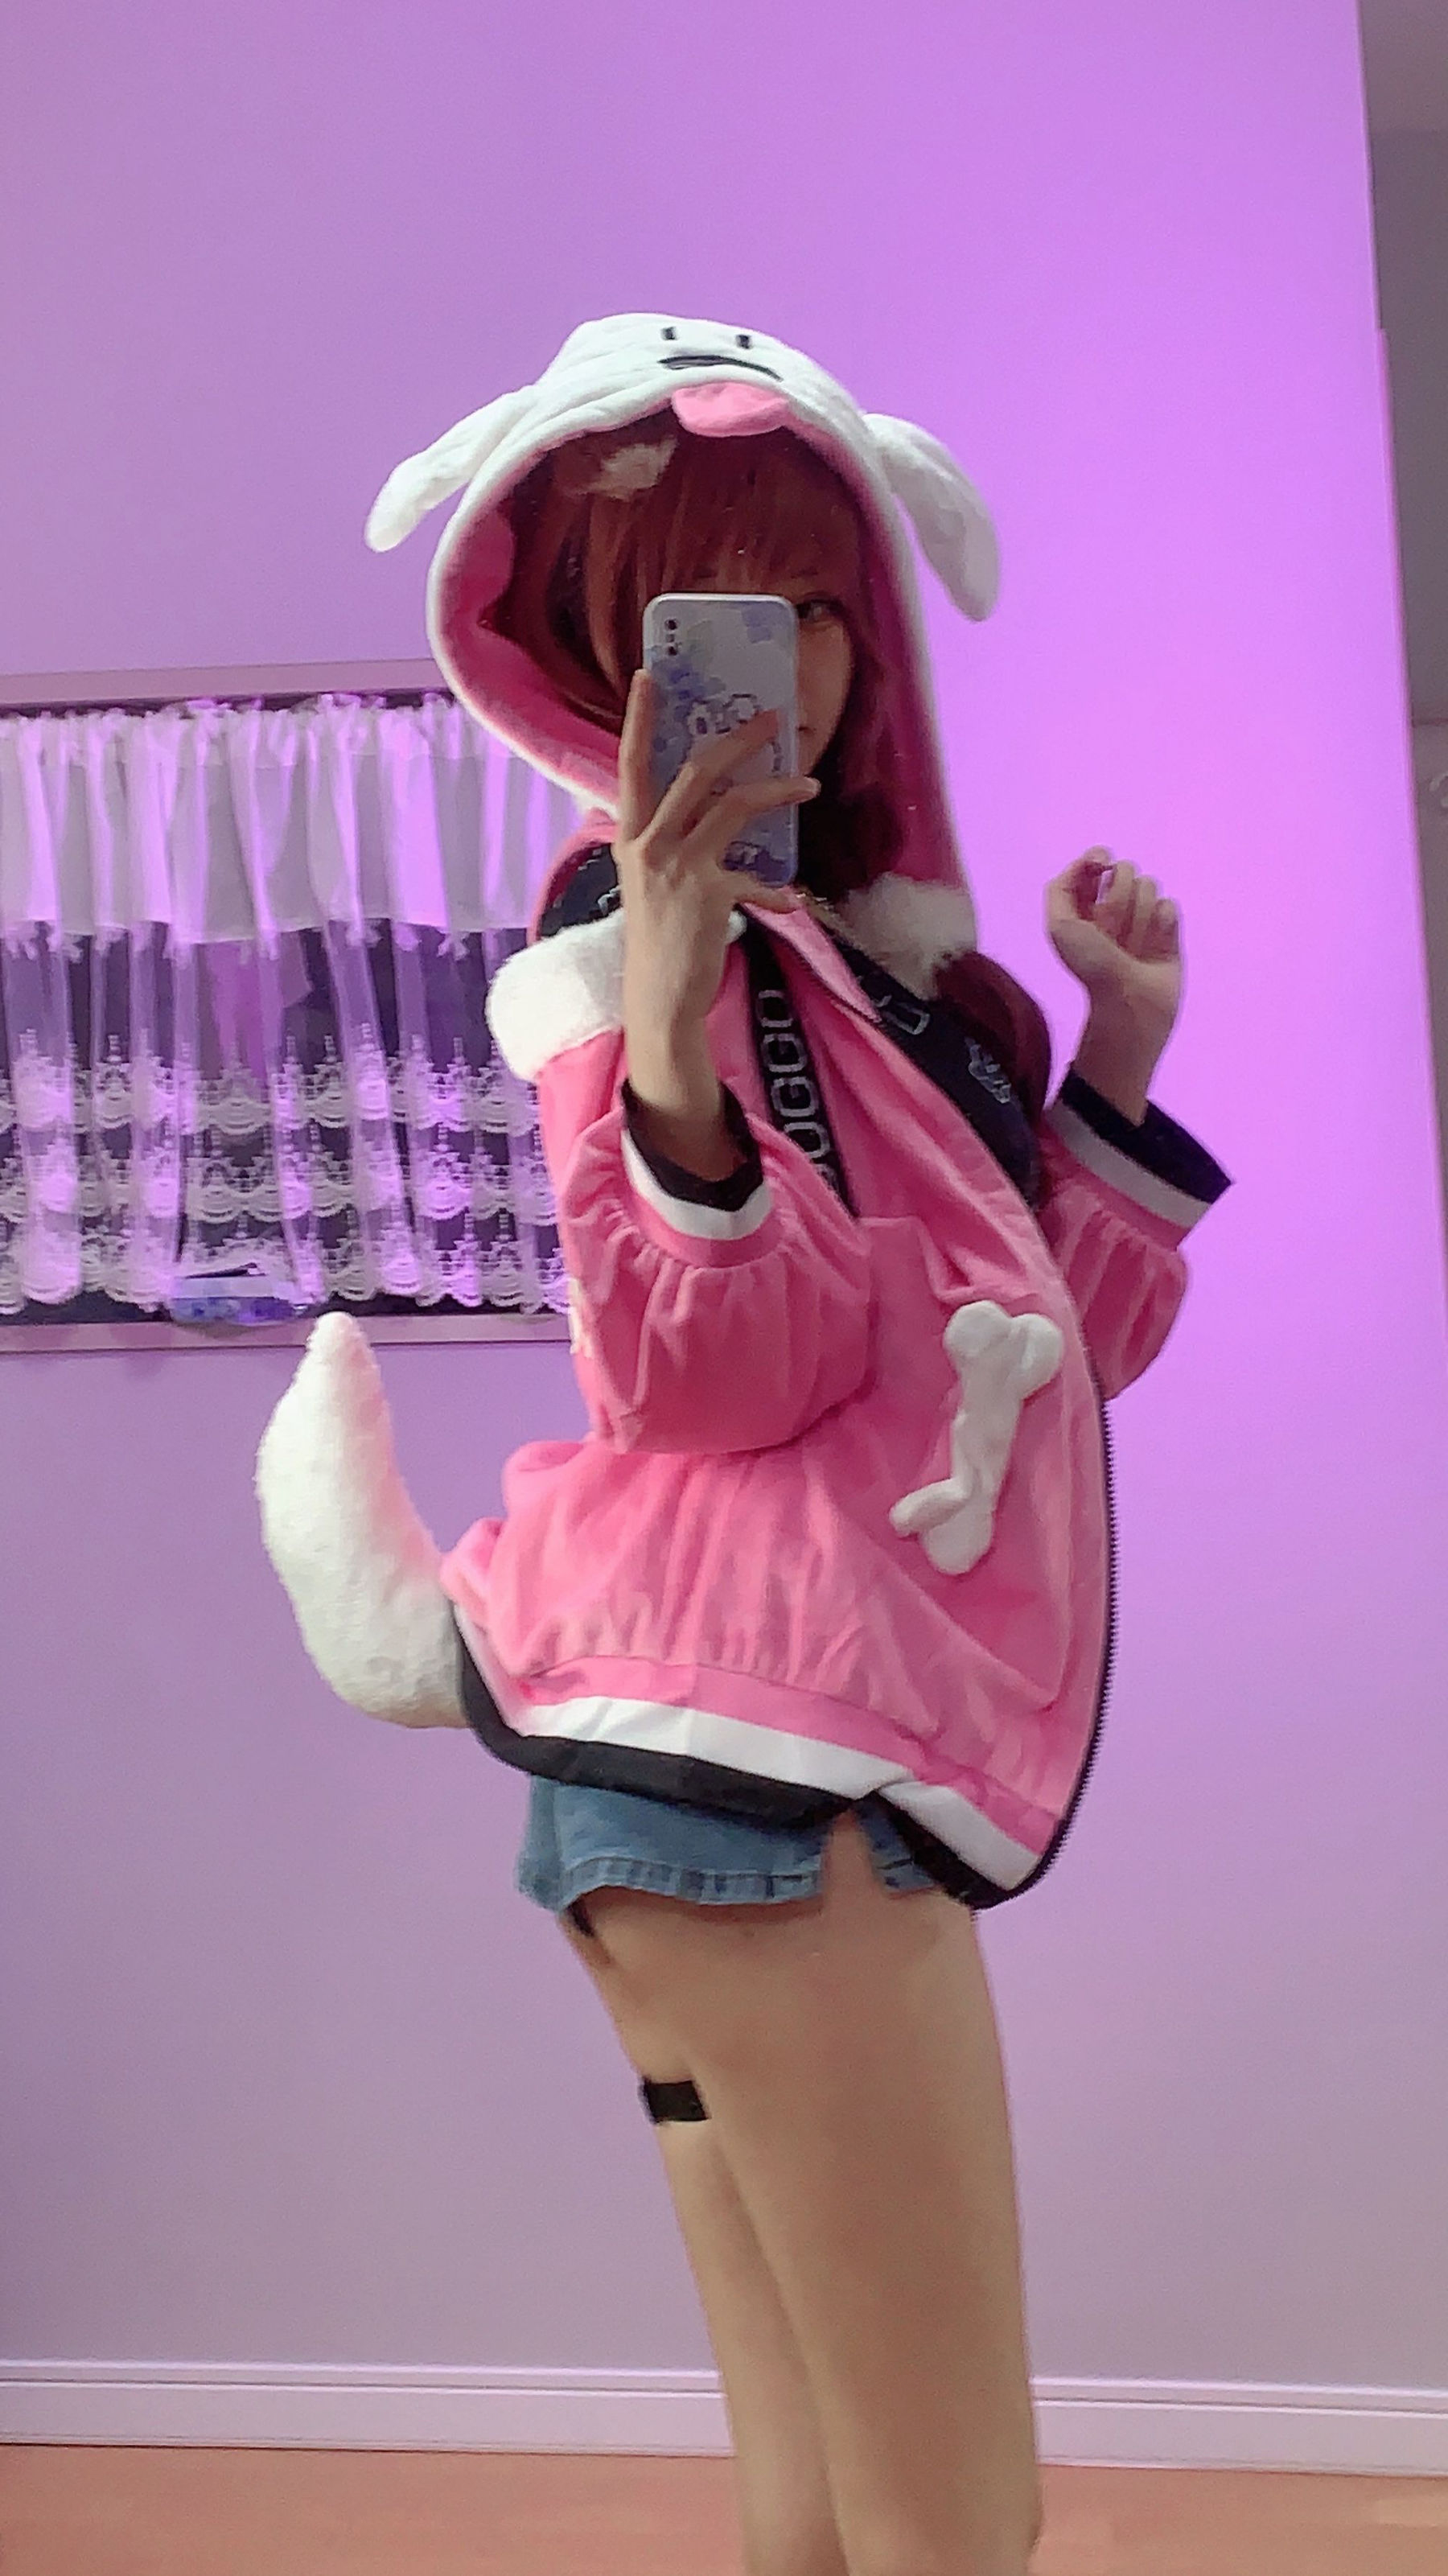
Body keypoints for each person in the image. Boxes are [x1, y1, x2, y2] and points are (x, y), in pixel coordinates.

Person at [257, 314, 1232, 2576]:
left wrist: (1116, 1049)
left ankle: (454, 1615)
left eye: (811, 600)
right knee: (951, 2516)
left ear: (867, 634)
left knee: (815, 2496)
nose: (773, 661)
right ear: (612, 658)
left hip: (726, 1771)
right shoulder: (634, 949)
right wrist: (675, 1032)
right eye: (707, 610)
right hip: (770, 1774)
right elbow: (707, 1377)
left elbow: (1046, 1353)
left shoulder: (895, 990)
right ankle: (457, 1609)